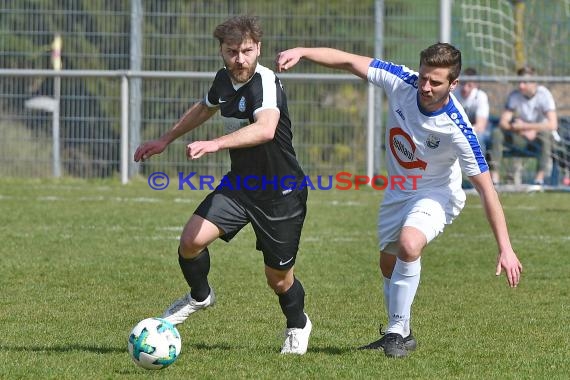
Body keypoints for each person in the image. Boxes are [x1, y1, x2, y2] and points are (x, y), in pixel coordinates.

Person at [276, 43, 522, 358]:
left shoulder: (458, 128)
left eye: (435, 82)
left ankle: (395, 331)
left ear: (453, 85)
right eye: (423, 78)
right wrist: (304, 52)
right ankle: (402, 332)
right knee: (388, 263)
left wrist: (505, 248)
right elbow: (351, 61)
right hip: (398, 191)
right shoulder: (401, 81)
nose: (425, 87)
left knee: (409, 244)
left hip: (437, 193)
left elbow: (488, 190)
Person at [134, 15, 312, 355]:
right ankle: (200, 296)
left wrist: (214, 144)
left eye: (247, 51)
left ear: (258, 48)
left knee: (278, 279)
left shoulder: (265, 82)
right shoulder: (223, 80)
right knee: (190, 241)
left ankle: (297, 323)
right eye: (232, 52)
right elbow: (204, 107)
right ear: (221, 51)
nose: (240, 59)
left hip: (281, 193)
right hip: (241, 186)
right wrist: (165, 139)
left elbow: (266, 129)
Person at [489, 66, 558, 185]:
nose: (521, 85)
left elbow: (552, 124)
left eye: (525, 82)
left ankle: (539, 180)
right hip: (521, 137)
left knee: (545, 135)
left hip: (539, 138)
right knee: (497, 133)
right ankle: (494, 178)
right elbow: (504, 122)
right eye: (519, 82)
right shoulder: (514, 96)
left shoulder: (544, 95)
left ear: (534, 83)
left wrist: (527, 127)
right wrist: (522, 130)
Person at [453, 67, 490, 153]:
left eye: (469, 85)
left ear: (475, 85)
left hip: (476, 130)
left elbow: (481, 126)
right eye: (463, 83)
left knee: (478, 138)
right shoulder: (454, 95)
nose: (465, 88)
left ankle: (479, 165)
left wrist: (465, 133)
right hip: (458, 129)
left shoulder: (480, 96)